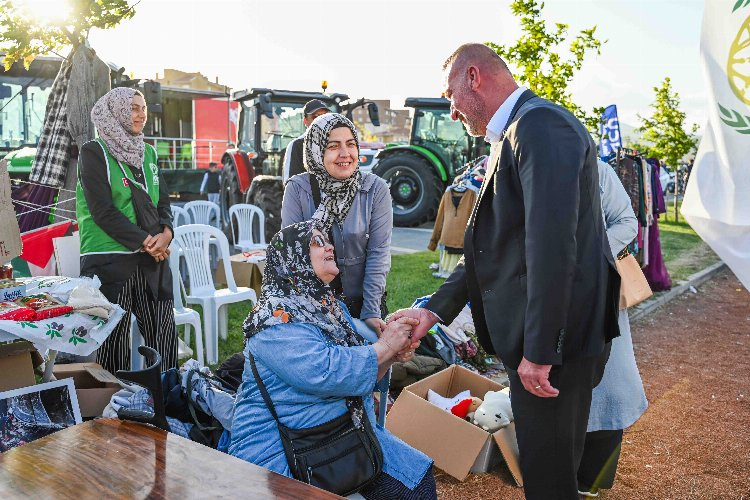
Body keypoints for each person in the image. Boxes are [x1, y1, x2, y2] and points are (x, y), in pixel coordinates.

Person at [390, 43, 621, 499]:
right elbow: (496, 250)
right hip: (553, 341)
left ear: (473, 77)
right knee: (546, 470)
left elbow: (553, 249)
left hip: (557, 347)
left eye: (450, 94)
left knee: (548, 480)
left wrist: (539, 351)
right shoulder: (519, 129)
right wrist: (435, 311)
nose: (453, 112)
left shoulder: (540, 126)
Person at [228, 220, 436, 499]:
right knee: (410, 490)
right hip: (282, 451)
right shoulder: (273, 319)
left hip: (336, 431)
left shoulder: (327, 306)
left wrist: (391, 355)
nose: (328, 246)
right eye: (315, 242)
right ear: (292, 258)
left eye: (326, 240)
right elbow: (325, 372)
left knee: (418, 479)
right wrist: (385, 347)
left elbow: (358, 371)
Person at [76, 87, 178, 373]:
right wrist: (148, 240)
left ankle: (165, 399)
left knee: (164, 335)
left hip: (151, 258)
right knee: (114, 341)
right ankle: (114, 409)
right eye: (133, 108)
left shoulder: (147, 152)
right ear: (116, 111)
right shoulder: (94, 152)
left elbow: (163, 202)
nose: (141, 114)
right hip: (110, 259)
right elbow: (102, 211)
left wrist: (167, 233)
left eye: (143, 108)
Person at [282, 113, 392, 338]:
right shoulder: (297, 189)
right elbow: (293, 256)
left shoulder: (375, 189)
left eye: (351, 144)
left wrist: (370, 311)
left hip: (363, 305)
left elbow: (378, 253)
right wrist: (315, 312)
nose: (345, 154)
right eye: (333, 146)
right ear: (316, 150)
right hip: (314, 307)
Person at [577, 161, 649, 497]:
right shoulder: (518, 164)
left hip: (597, 290)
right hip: (542, 296)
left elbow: (627, 223)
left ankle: (592, 478)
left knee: (609, 383)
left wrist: (583, 251)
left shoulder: (597, 170)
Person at [281, 99, 330, 183]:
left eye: (324, 116)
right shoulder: (297, 145)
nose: (321, 120)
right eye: (315, 117)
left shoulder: (335, 144)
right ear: (305, 121)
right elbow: (290, 183)